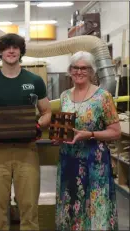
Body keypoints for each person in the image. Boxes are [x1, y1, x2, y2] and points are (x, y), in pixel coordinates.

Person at [0, 33, 52, 230]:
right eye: (6, 47)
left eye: (15, 47)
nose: (11, 51)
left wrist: (38, 125)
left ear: (20, 51)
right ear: (0, 52)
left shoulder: (34, 80)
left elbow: (47, 112)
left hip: (27, 151)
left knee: (29, 208)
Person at [55, 51, 121, 230]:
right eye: (75, 67)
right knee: (71, 204)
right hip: (69, 160)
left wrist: (90, 135)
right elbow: (66, 126)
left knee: (95, 206)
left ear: (92, 71)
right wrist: (59, 137)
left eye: (84, 68)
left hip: (94, 163)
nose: (79, 71)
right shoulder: (64, 96)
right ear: (70, 70)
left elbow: (115, 132)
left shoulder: (103, 97)